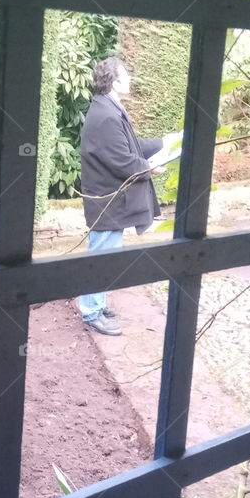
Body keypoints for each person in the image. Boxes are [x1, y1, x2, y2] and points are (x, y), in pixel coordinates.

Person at [77, 56, 165, 336]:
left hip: (109, 200)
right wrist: (151, 167)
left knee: (105, 252)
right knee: (101, 255)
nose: (131, 80)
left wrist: (166, 142)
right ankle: (91, 311)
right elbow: (122, 161)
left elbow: (130, 146)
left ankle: (96, 303)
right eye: (126, 76)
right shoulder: (105, 116)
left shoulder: (108, 108)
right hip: (106, 201)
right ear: (114, 82)